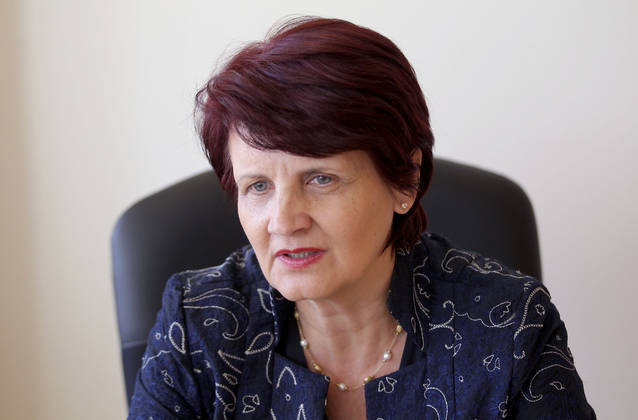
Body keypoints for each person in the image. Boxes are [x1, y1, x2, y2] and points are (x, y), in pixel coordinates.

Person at [129, 17, 595, 419]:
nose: (283, 222)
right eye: (259, 186)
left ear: (405, 181)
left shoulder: (510, 328)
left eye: (321, 179)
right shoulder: (199, 326)